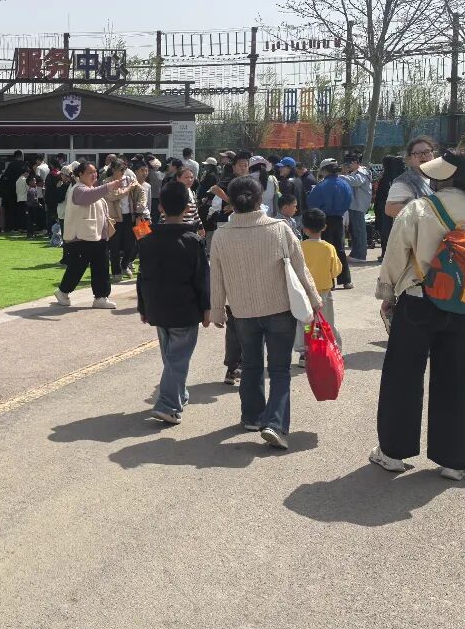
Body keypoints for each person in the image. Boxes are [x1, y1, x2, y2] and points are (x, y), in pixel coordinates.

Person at [371, 148, 465, 480]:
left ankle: (393, 452)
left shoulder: (420, 209)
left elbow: (395, 253)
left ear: (444, 177)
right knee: (456, 382)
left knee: (402, 377)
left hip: (418, 302)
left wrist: (388, 292)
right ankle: (455, 460)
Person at [210, 176, 322, 449]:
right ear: (261, 199)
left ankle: (252, 416)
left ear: (230, 202)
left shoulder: (222, 234)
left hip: (242, 311)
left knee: (250, 365)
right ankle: (276, 424)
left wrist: (217, 310)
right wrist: (315, 300)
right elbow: (300, 268)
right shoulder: (279, 228)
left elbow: (216, 276)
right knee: (280, 369)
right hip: (279, 309)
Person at [139, 181, 211, 424]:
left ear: (160, 207)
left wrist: (142, 306)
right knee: (177, 358)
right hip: (184, 308)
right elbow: (201, 278)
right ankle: (168, 403)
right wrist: (206, 308)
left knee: (171, 356)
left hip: (157, 306)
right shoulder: (193, 240)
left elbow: (142, 276)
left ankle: (178, 394)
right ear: (187, 208)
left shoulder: (147, 238)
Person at [54, 162, 126, 309]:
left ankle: (101, 297)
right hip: (81, 237)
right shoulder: (77, 189)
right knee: (77, 267)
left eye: (95, 172)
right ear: (80, 174)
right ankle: (63, 291)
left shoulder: (92, 189)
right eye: (90, 172)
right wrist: (110, 186)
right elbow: (88, 197)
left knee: (101, 267)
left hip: (97, 236)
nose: (94, 175)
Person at [293, 208, 343, 363]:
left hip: (304, 292)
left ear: (304, 229)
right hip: (323, 292)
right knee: (326, 321)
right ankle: (329, 348)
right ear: (324, 227)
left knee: (305, 323)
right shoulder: (329, 248)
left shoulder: (299, 247)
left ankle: (305, 352)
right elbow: (336, 270)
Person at [307, 159, 353, 289]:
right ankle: (346, 280)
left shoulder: (321, 186)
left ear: (324, 170)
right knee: (340, 249)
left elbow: (312, 203)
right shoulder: (345, 184)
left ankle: (330, 281)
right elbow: (349, 201)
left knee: (326, 250)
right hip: (339, 218)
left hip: (324, 219)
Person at [342, 153, 373, 262]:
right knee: (354, 231)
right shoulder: (355, 172)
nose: (347, 166)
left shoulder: (362, 172)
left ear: (356, 162)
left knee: (359, 231)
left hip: (358, 206)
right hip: (354, 205)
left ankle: (360, 255)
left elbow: (356, 182)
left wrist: (341, 177)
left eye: (349, 163)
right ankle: (355, 253)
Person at [373, 155, 404, 261]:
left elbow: (380, 195)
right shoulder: (404, 177)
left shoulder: (386, 178)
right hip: (401, 206)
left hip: (386, 207)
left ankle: (386, 253)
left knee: (386, 230)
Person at [0, 150, 26, 231]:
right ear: (21, 156)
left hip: (12, 190)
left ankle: (12, 227)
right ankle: (22, 226)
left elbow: (5, 176)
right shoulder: (25, 164)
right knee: (22, 209)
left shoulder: (11, 165)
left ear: (14, 157)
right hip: (23, 190)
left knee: (11, 209)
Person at [147, 157, 165, 223]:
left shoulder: (148, 174)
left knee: (149, 216)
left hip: (150, 197)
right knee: (156, 217)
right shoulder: (161, 174)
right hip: (157, 197)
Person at [14, 168, 30, 232]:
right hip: (25, 198)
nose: (28, 175)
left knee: (20, 214)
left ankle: (20, 227)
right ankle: (25, 228)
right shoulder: (25, 180)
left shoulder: (17, 180)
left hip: (19, 199)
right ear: (25, 173)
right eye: (28, 173)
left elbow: (16, 191)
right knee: (25, 214)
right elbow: (28, 189)